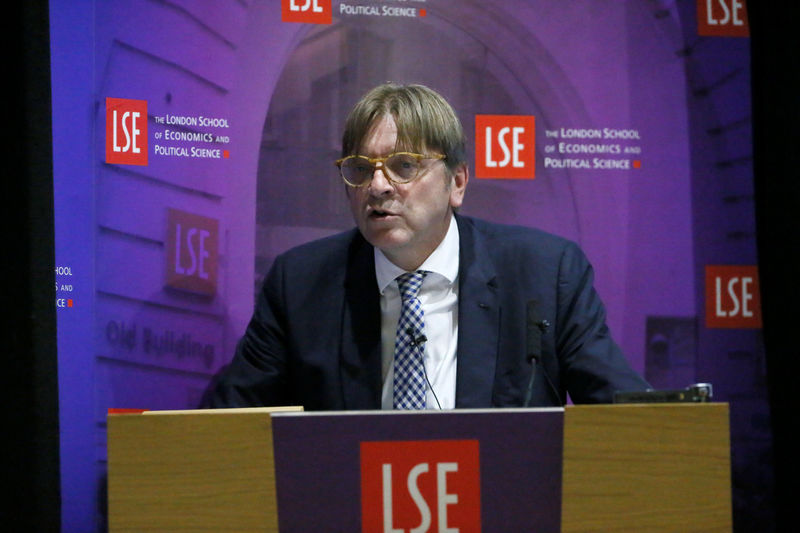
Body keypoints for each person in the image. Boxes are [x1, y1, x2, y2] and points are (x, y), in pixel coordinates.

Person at [203, 83, 649, 410]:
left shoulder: (545, 274)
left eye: (403, 166)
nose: (378, 186)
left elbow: (624, 411)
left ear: (457, 183)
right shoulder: (300, 283)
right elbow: (223, 424)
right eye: (360, 169)